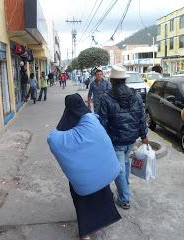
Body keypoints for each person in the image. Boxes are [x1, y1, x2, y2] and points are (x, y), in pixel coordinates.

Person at [56, 93, 121, 240]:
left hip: (80, 174)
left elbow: (61, 146)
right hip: (98, 169)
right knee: (102, 195)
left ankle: (85, 233)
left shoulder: (64, 126)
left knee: (82, 201)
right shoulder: (91, 120)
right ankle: (101, 223)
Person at [98, 65, 148, 210]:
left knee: (119, 168)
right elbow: (141, 117)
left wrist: (102, 141)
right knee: (124, 162)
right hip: (132, 138)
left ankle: (124, 198)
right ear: (125, 79)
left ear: (112, 80)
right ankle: (124, 187)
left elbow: (103, 122)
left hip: (116, 140)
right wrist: (144, 135)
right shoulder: (136, 96)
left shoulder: (106, 98)